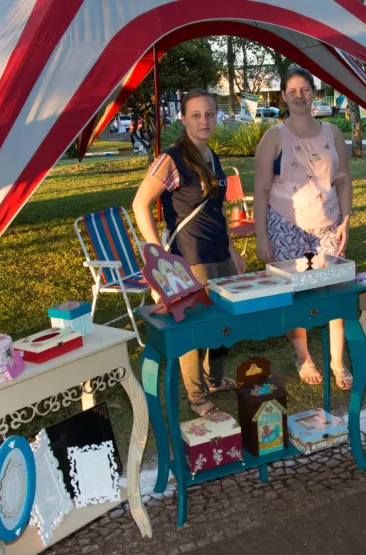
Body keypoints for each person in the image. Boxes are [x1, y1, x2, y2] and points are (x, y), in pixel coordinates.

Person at [131, 89, 236, 417]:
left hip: (219, 252)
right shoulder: (172, 158)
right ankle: (198, 399)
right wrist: (157, 254)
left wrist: (232, 250)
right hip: (191, 256)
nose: (204, 120)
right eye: (196, 115)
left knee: (227, 321)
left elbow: (218, 209)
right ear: (184, 118)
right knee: (195, 330)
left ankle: (214, 379)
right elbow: (139, 204)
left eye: (209, 114)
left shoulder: (212, 156)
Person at [254, 67, 354, 390]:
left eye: (305, 89)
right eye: (293, 90)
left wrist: (346, 221)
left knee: (335, 293)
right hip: (287, 225)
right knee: (294, 296)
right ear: (283, 96)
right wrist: (261, 236)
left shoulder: (333, 133)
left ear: (314, 93)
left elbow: (343, 181)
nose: (299, 95)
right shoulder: (274, 137)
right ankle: (304, 356)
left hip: (328, 226)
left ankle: (338, 362)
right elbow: (261, 191)